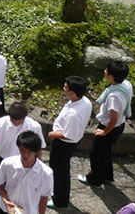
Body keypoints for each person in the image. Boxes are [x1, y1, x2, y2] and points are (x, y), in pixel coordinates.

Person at [79, 60, 133, 187]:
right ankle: (108, 176)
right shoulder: (127, 84)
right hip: (120, 125)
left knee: (97, 153)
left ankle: (95, 179)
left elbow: (113, 118)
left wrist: (104, 132)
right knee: (106, 151)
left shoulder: (114, 96)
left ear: (111, 76)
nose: (104, 72)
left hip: (110, 127)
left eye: (106, 71)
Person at [0, 102, 46, 212]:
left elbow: (39, 148)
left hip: (26, 163)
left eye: (20, 121)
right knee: (0, 188)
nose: (16, 123)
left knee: (22, 191)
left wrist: (37, 165)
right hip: (3, 161)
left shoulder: (34, 126)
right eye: (14, 121)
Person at [47, 76, 92, 210]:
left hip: (63, 144)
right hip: (71, 142)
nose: (64, 89)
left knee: (60, 171)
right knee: (61, 169)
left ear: (72, 92)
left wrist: (52, 134)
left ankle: (60, 201)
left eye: (66, 87)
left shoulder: (73, 114)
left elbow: (68, 135)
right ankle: (59, 197)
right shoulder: (85, 101)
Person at [0, 131, 53, 214]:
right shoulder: (7, 163)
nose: (25, 155)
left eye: (29, 152)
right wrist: (6, 200)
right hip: (5, 210)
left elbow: (44, 197)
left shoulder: (46, 173)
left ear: (36, 152)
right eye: (22, 150)